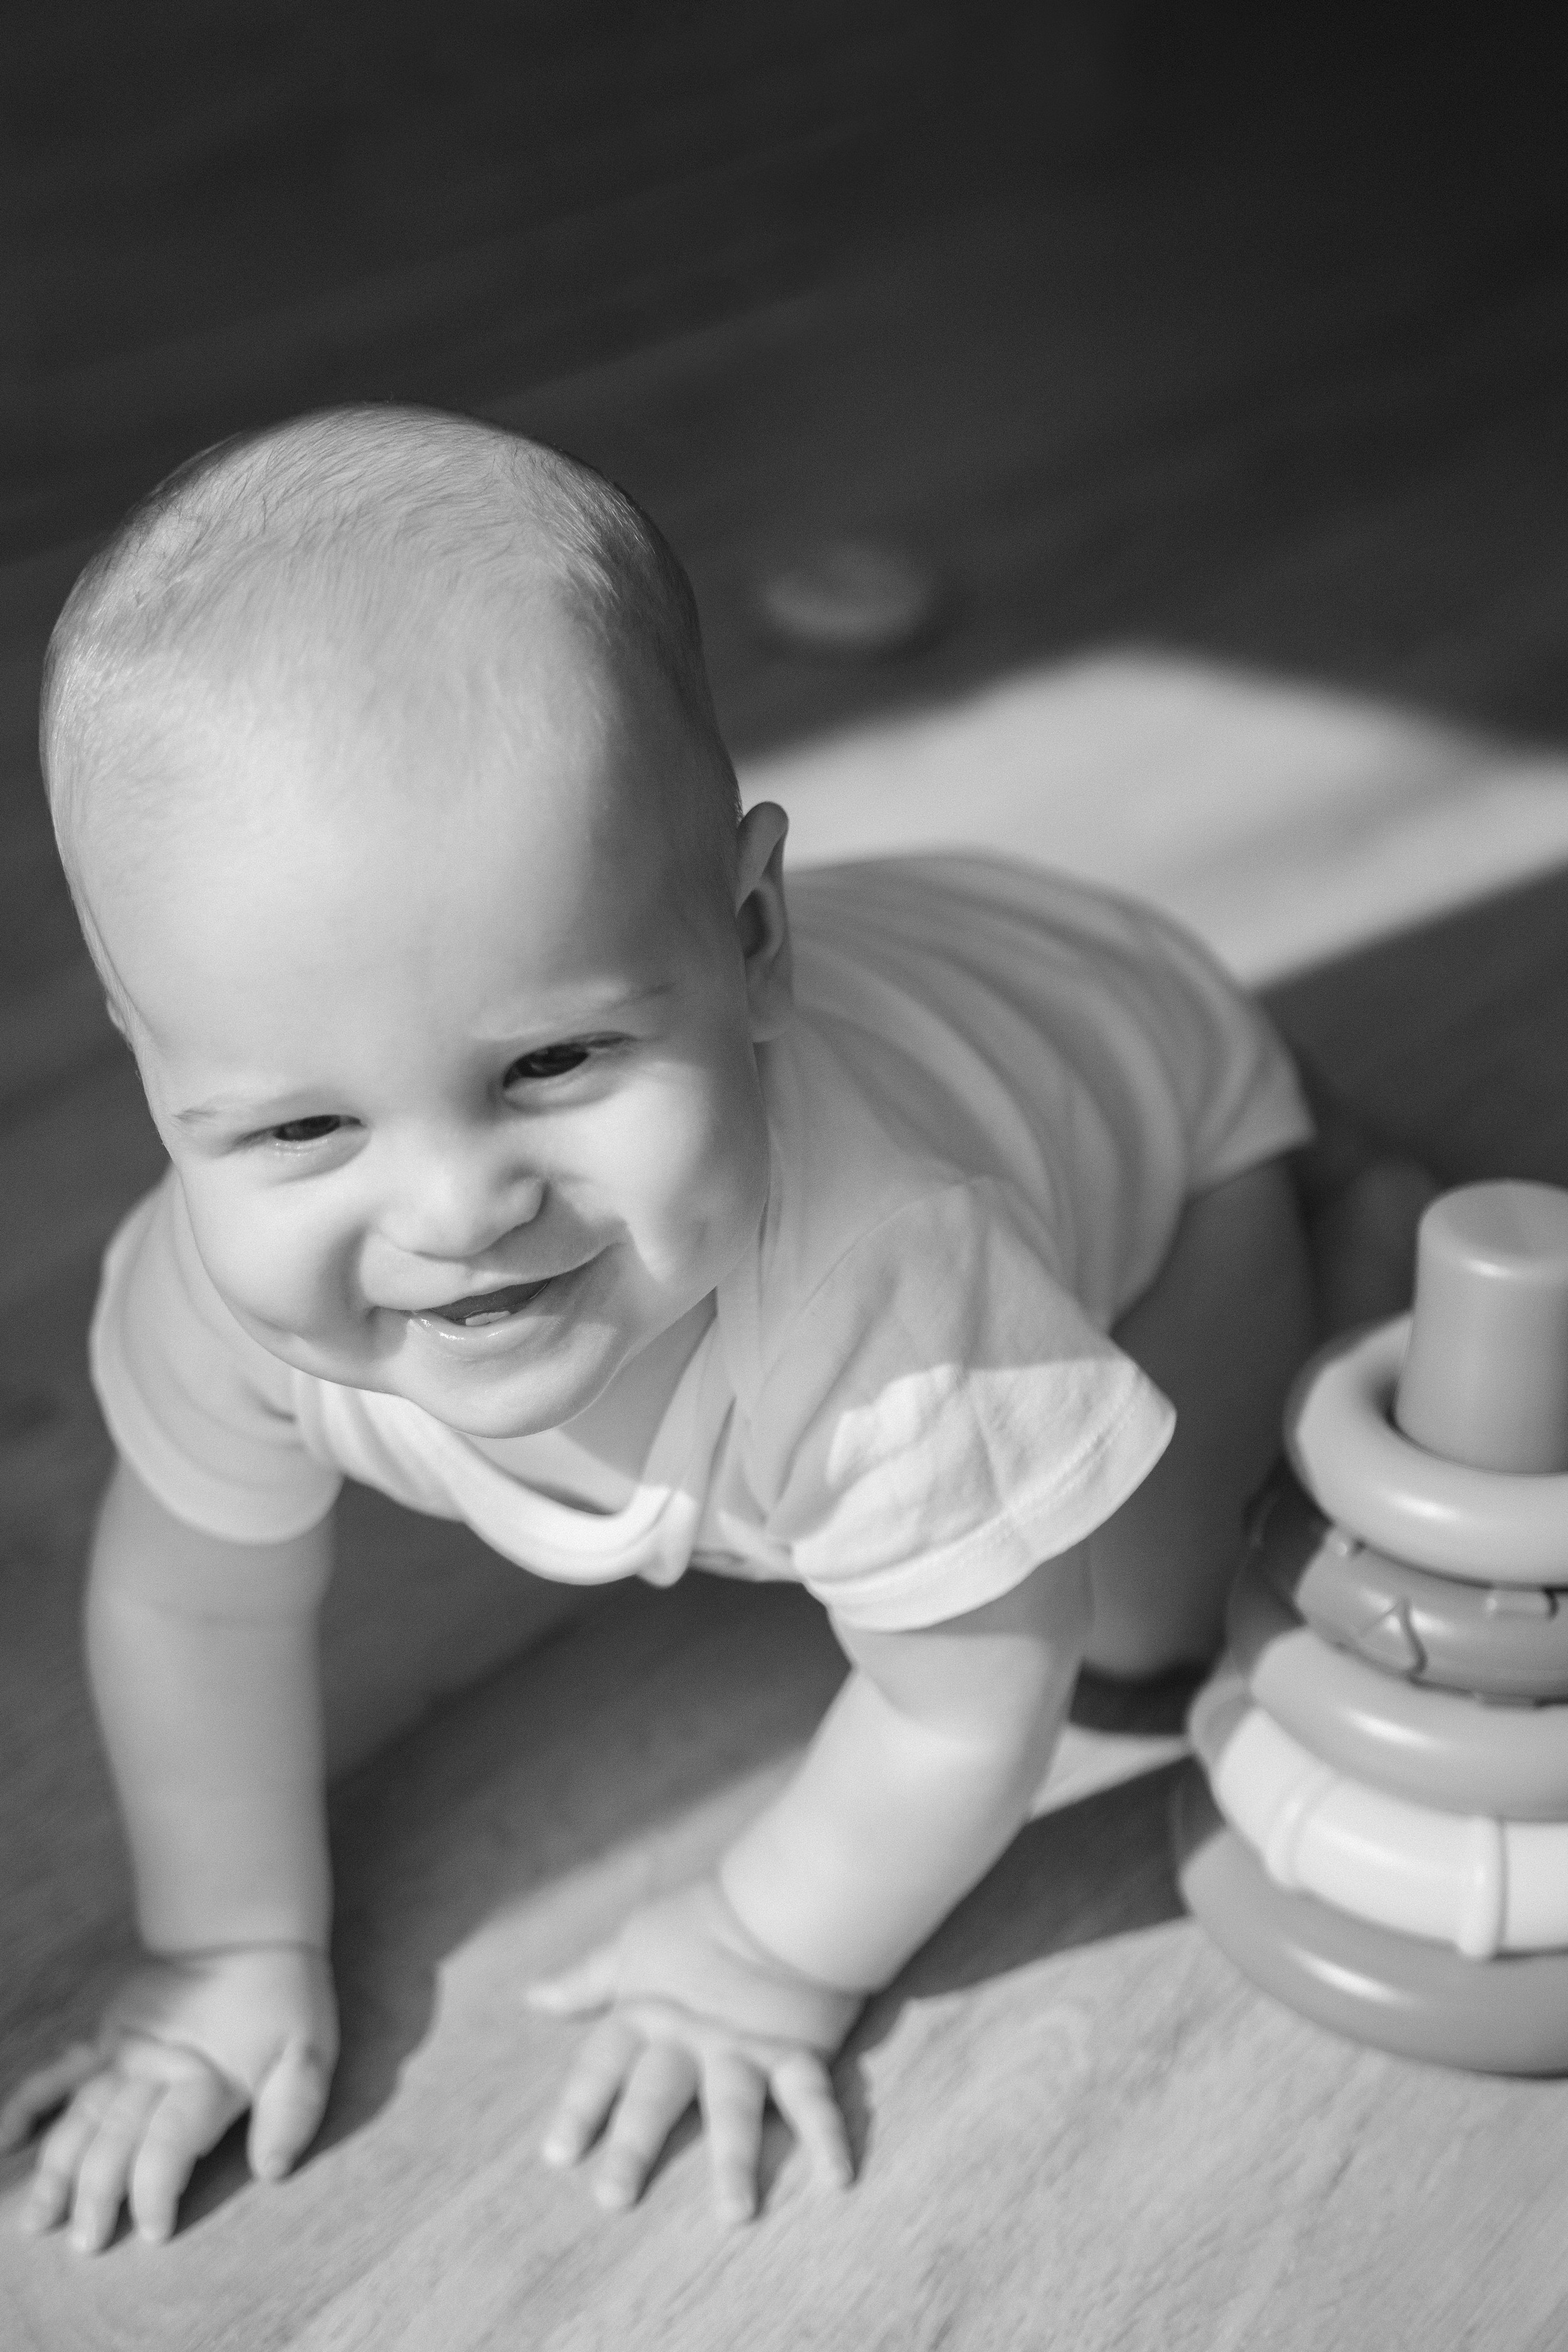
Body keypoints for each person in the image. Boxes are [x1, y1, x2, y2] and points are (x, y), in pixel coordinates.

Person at [0, 406, 1431, 2253]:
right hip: (938, 990)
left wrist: (762, 1949)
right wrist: (220, 1947)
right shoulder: (218, 1289)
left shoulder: (887, 1290)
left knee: (1142, 1627)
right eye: (297, 1126)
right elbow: (188, 1596)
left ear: (754, 938)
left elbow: (968, 1697)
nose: (453, 1211)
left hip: (1141, 1091)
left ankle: (1350, 1210)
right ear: (148, 1055)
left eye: (553, 1062)